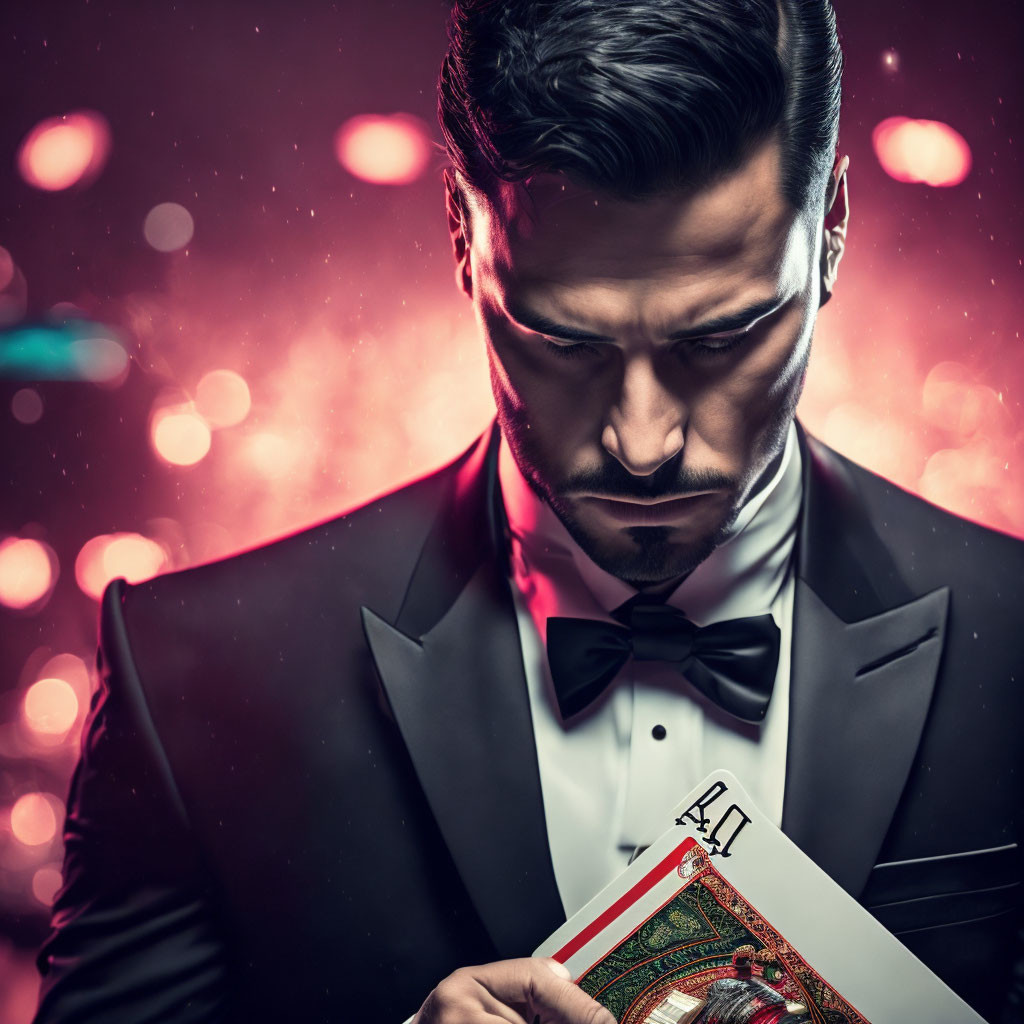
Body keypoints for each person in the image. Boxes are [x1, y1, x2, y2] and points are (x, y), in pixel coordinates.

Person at [31, 1, 1024, 1022]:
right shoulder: (197, 674)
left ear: (833, 226)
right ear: (462, 234)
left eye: (722, 338)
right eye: (564, 343)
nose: (642, 443)